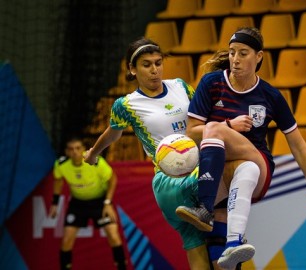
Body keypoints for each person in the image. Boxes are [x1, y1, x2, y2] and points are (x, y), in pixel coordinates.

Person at [175, 27, 306, 269]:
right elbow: (191, 132)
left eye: (243, 53)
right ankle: (233, 243)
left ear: (258, 56)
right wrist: (230, 124)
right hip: (219, 170)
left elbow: (298, 145)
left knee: (220, 135)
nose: (235, 59)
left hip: (258, 165)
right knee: (220, 254)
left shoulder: (269, 96)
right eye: (231, 53)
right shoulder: (212, 83)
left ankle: (204, 208)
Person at [82, 37, 249, 270]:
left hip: (200, 168)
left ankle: (222, 232)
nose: (154, 70)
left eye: (158, 63)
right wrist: (93, 153)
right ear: (132, 69)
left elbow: (203, 118)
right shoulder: (126, 105)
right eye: (146, 65)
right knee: (226, 205)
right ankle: (225, 230)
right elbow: (113, 134)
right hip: (171, 181)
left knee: (212, 246)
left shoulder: (180, 86)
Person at [49, 137, 127, 270]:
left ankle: (121, 267)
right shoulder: (61, 164)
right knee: (67, 239)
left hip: (100, 202)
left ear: (83, 149)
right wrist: (55, 203)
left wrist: (108, 203)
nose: (75, 152)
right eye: (71, 149)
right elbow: (58, 180)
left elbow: (112, 179)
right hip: (78, 204)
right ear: (66, 152)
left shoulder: (95, 161)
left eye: (78, 148)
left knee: (113, 235)